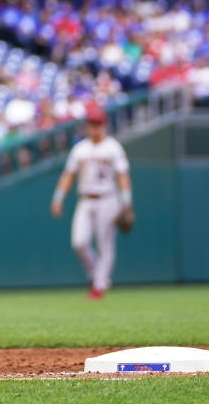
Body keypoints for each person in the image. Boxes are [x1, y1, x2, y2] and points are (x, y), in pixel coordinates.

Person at [50, 103, 134, 299]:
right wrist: (58, 197)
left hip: (107, 199)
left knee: (106, 245)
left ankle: (99, 287)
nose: (95, 127)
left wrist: (126, 202)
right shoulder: (80, 149)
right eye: (92, 124)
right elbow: (68, 175)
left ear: (104, 125)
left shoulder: (113, 147)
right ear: (87, 126)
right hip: (85, 199)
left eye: (98, 123)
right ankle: (96, 275)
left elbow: (123, 175)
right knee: (79, 242)